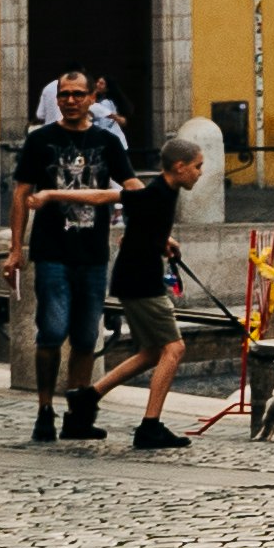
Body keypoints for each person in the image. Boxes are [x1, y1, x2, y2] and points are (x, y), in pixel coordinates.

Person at [5, 68, 124, 444]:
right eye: (64, 94)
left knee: (87, 337)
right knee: (52, 332)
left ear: (93, 98)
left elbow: (133, 187)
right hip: (52, 250)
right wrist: (15, 249)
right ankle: (44, 409)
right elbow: (22, 194)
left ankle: (77, 415)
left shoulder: (107, 141)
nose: (70, 100)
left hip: (93, 254)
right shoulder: (41, 140)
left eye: (78, 94)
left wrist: (161, 232)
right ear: (56, 99)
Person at [84, 139, 196, 449]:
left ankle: (88, 397)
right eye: (197, 167)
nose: (200, 173)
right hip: (142, 280)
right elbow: (101, 195)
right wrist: (51, 194)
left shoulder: (165, 193)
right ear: (180, 167)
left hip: (133, 278)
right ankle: (150, 426)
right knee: (174, 349)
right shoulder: (154, 193)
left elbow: (144, 230)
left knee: (151, 352)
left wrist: (164, 241)